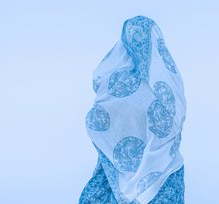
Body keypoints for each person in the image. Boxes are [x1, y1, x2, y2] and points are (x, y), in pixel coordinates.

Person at [79, 15, 187, 203]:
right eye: (134, 38)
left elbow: (173, 125)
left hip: (163, 172)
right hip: (118, 170)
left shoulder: (167, 82)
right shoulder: (118, 82)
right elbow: (97, 118)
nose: (138, 44)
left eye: (141, 37)